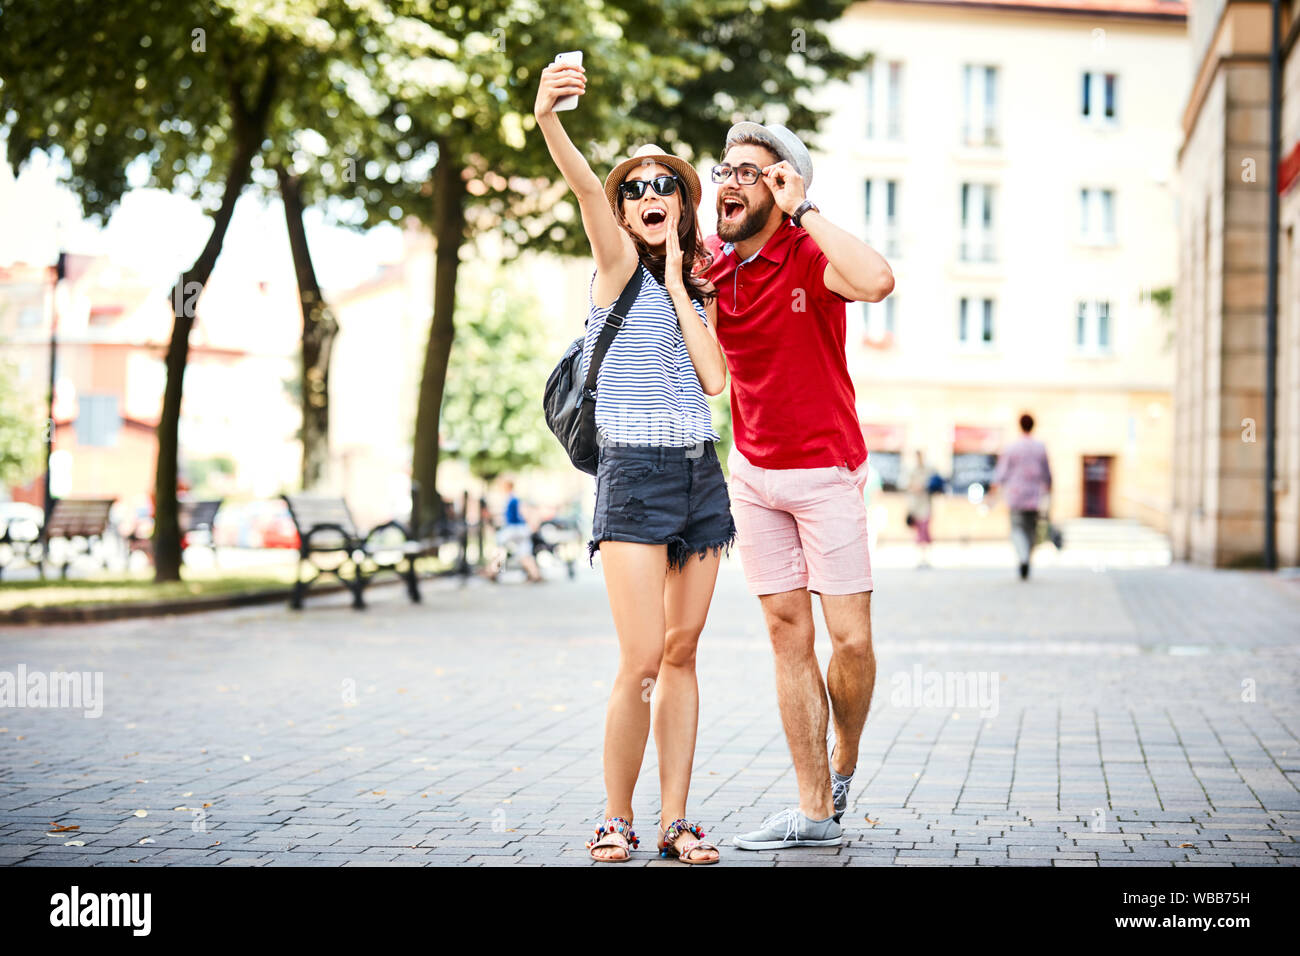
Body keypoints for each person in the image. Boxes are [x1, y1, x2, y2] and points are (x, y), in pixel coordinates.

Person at [535, 60, 734, 864]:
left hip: (699, 476)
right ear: (624, 211)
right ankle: (614, 816)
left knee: (684, 653)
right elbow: (584, 186)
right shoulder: (614, 271)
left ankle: (677, 820)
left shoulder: (699, 287)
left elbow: (715, 381)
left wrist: (687, 282)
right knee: (643, 657)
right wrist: (550, 119)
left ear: (683, 205)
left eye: (666, 187)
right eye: (637, 190)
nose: (651, 196)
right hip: (633, 475)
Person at [699, 123, 894, 850]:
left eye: (751, 173)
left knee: (852, 641)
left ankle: (844, 761)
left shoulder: (809, 253)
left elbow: (877, 281)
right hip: (752, 475)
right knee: (787, 636)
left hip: (827, 472)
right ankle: (815, 811)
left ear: (782, 188)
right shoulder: (712, 268)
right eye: (725, 169)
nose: (730, 181)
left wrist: (804, 209)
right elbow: (705, 370)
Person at [990, 413, 1052, 580]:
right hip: (1034, 496)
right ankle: (1027, 558)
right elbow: (1047, 473)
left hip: (1015, 496)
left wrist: (993, 490)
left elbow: (1001, 473)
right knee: (1031, 530)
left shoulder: (1012, 447)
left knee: (1017, 528)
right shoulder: (1040, 447)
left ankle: (1023, 557)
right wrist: (1049, 491)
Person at [484, 478, 542, 583]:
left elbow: (516, 515)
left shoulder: (511, 499)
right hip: (522, 529)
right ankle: (535, 574)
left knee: (499, 546)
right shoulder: (514, 498)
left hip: (513, 529)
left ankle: (493, 572)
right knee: (524, 552)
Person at [902, 451, 935, 568]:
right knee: (919, 533)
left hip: (926, 506)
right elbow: (905, 485)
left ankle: (926, 558)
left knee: (925, 532)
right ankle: (921, 558)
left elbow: (934, 484)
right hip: (915, 506)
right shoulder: (912, 471)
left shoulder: (929, 470)